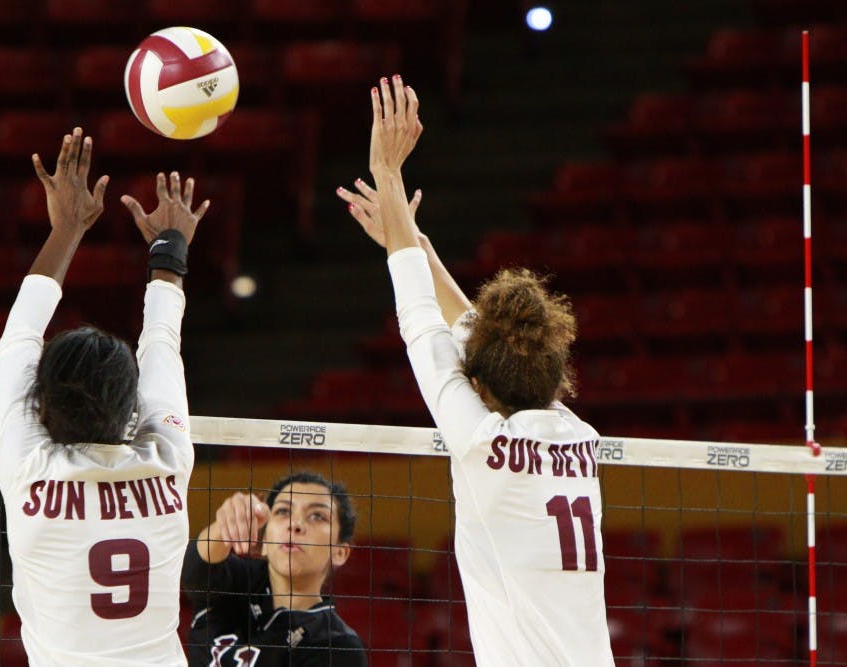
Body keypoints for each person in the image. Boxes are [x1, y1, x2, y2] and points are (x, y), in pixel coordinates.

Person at [336, 76, 614, 666]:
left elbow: (422, 322)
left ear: (480, 386)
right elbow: (467, 329)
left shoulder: (481, 441)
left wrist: (389, 174)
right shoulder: (578, 438)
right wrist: (410, 242)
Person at [0, 126, 210, 665]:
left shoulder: (30, 469)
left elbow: (19, 341)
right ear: (131, 408)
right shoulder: (166, 461)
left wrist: (67, 228)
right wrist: (169, 250)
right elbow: (161, 345)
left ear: (40, 407)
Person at [181, 471, 367, 666]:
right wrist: (223, 525)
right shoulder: (234, 581)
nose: (295, 524)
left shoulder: (338, 645)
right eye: (283, 511)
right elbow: (193, 569)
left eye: (317, 516)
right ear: (265, 542)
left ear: (340, 552)